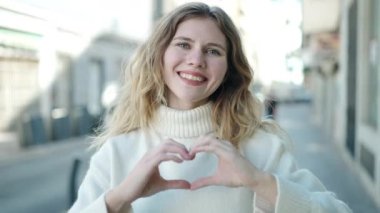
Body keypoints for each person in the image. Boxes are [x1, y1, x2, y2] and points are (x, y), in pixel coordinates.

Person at [69, 2, 352, 213]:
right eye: (183, 44)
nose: (196, 59)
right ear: (159, 56)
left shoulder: (259, 147)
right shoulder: (118, 151)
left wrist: (259, 182)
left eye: (213, 51)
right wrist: (117, 199)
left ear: (229, 69)